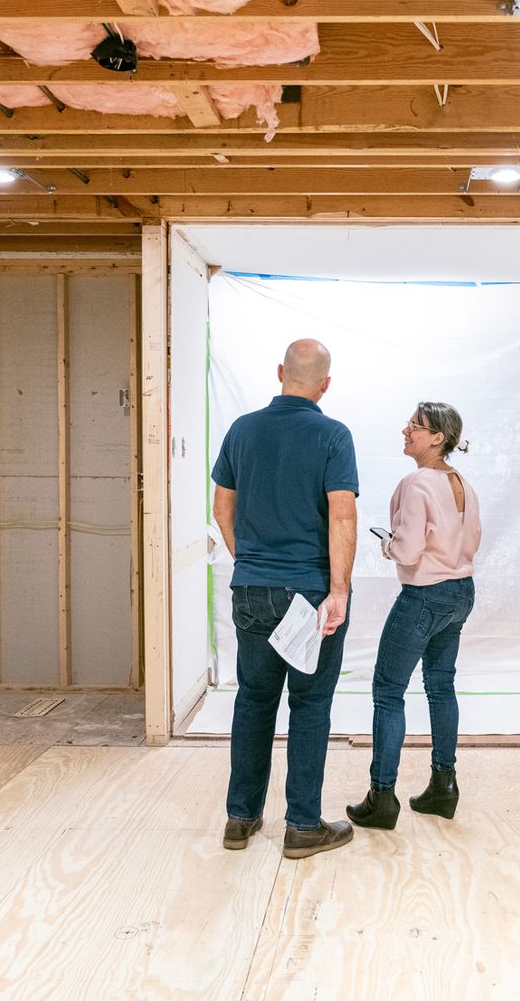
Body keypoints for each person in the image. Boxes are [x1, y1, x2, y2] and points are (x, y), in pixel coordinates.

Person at [212, 338, 359, 860]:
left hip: (251, 589)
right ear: (326, 384)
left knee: (253, 701)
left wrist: (250, 561)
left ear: (280, 372)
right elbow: (342, 514)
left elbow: (222, 509)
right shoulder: (333, 435)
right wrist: (338, 590)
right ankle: (301, 826)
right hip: (310, 593)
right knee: (310, 704)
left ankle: (240, 818)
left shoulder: (242, 430)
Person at [347, 401, 480, 830]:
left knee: (388, 691)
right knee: (441, 686)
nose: (406, 430)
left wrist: (387, 545)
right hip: (460, 592)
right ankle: (444, 786)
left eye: (415, 426)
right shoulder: (463, 483)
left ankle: (382, 797)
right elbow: (471, 540)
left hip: (424, 595)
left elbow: (407, 550)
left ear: (438, 438)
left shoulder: (417, 482)